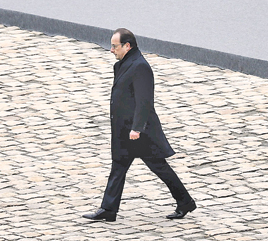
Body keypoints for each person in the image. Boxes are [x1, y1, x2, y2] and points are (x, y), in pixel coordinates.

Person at [81, 28, 196, 223]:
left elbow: (145, 102)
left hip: (139, 134)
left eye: (114, 46)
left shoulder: (140, 66)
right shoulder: (125, 64)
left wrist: (137, 128)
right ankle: (108, 209)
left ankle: (185, 201)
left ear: (127, 46)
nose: (111, 50)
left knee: (159, 167)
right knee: (118, 167)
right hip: (124, 131)